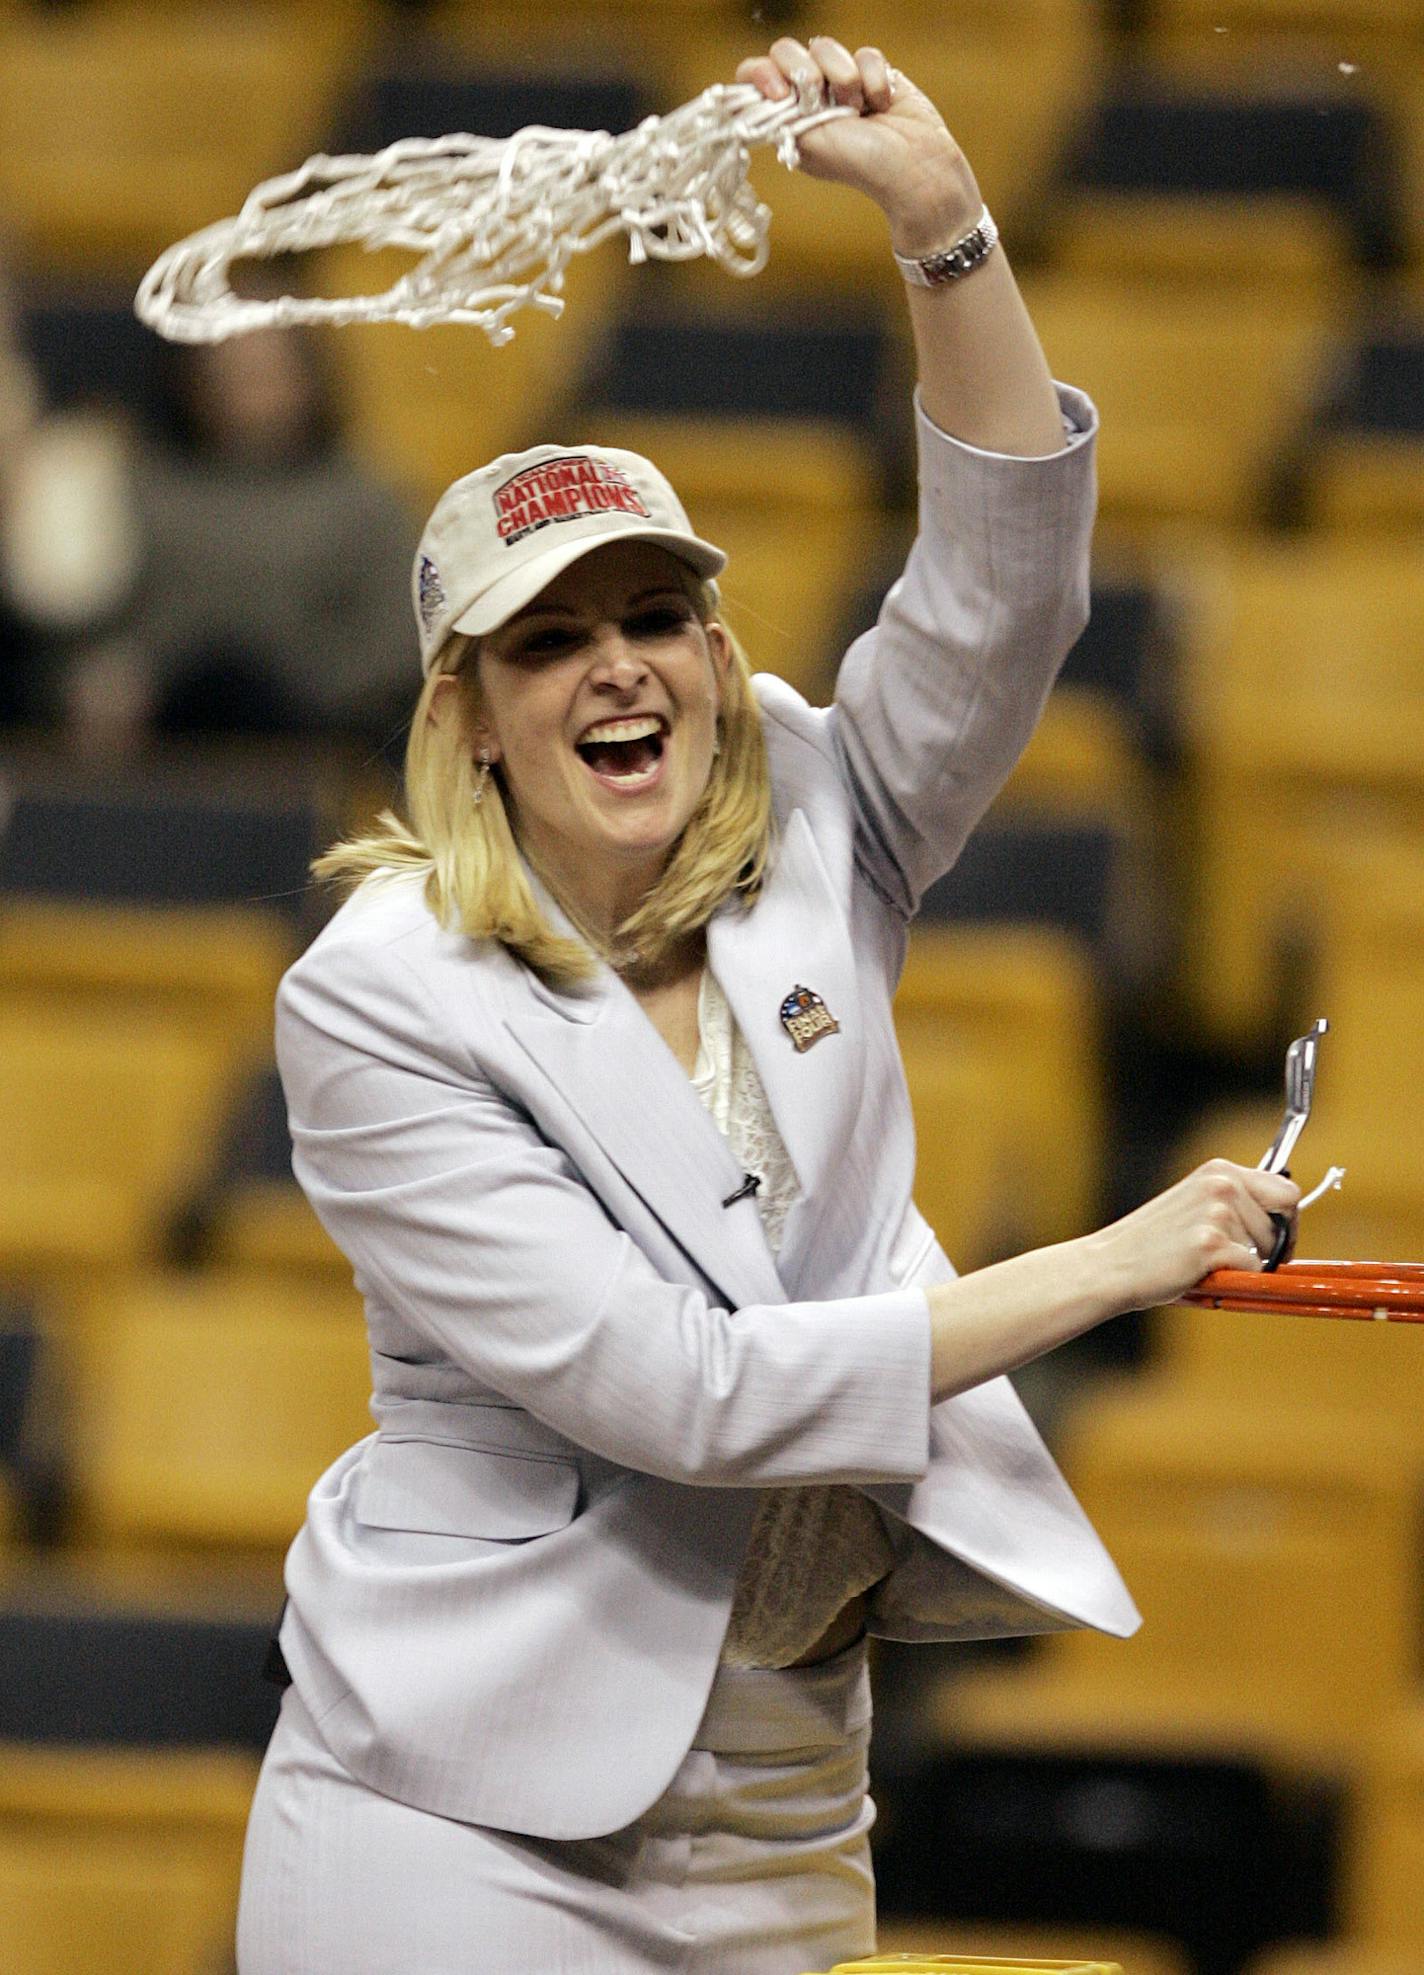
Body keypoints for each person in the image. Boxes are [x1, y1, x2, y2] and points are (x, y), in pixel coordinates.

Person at [235, 35, 1300, 1975]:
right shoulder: (377, 1001)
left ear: (719, 651)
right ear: (461, 717)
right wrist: (1112, 1264)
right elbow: (687, 1396)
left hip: (787, 1810)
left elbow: (1001, 601)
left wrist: (943, 228)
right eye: (547, 638)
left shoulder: (816, 805)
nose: (616, 670)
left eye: (654, 615)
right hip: (458, 1822)